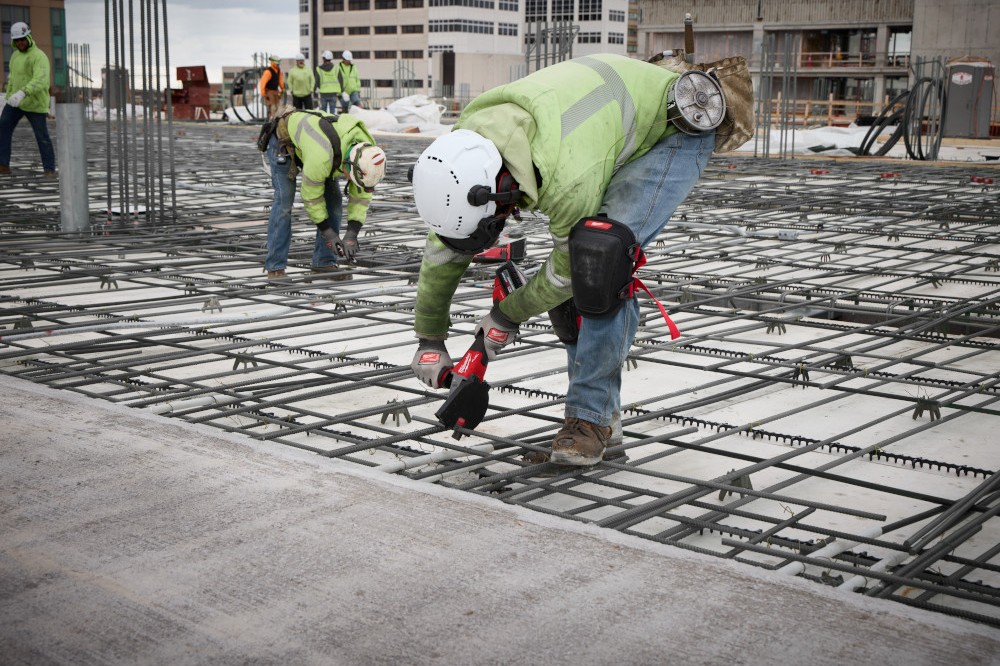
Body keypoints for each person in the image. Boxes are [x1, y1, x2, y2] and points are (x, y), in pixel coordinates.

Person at [408, 53, 720, 466]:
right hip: (601, 128)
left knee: (600, 263)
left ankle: (590, 422)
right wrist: (430, 339)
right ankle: (606, 425)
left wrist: (506, 314)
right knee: (573, 291)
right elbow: (443, 246)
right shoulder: (465, 157)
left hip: (676, 127)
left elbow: (569, 270)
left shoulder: (564, 173)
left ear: (500, 191)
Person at [262, 107, 387, 281]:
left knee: (334, 201)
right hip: (283, 143)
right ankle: (275, 268)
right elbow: (311, 197)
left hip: (326, 149)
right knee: (284, 202)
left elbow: (361, 193)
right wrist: (328, 232)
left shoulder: (365, 152)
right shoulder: (321, 156)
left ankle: (324, 263)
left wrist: (352, 232)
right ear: (348, 165)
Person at [0, 22, 55, 176]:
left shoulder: (39, 56)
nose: (20, 43)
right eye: (17, 40)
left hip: (35, 103)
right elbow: (12, 78)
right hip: (15, 101)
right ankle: (3, 164)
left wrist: (23, 92)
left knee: (41, 136)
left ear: (29, 37)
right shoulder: (14, 56)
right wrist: (8, 95)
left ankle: (49, 169)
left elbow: (41, 79)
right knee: (3, 127)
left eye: (23, 39)